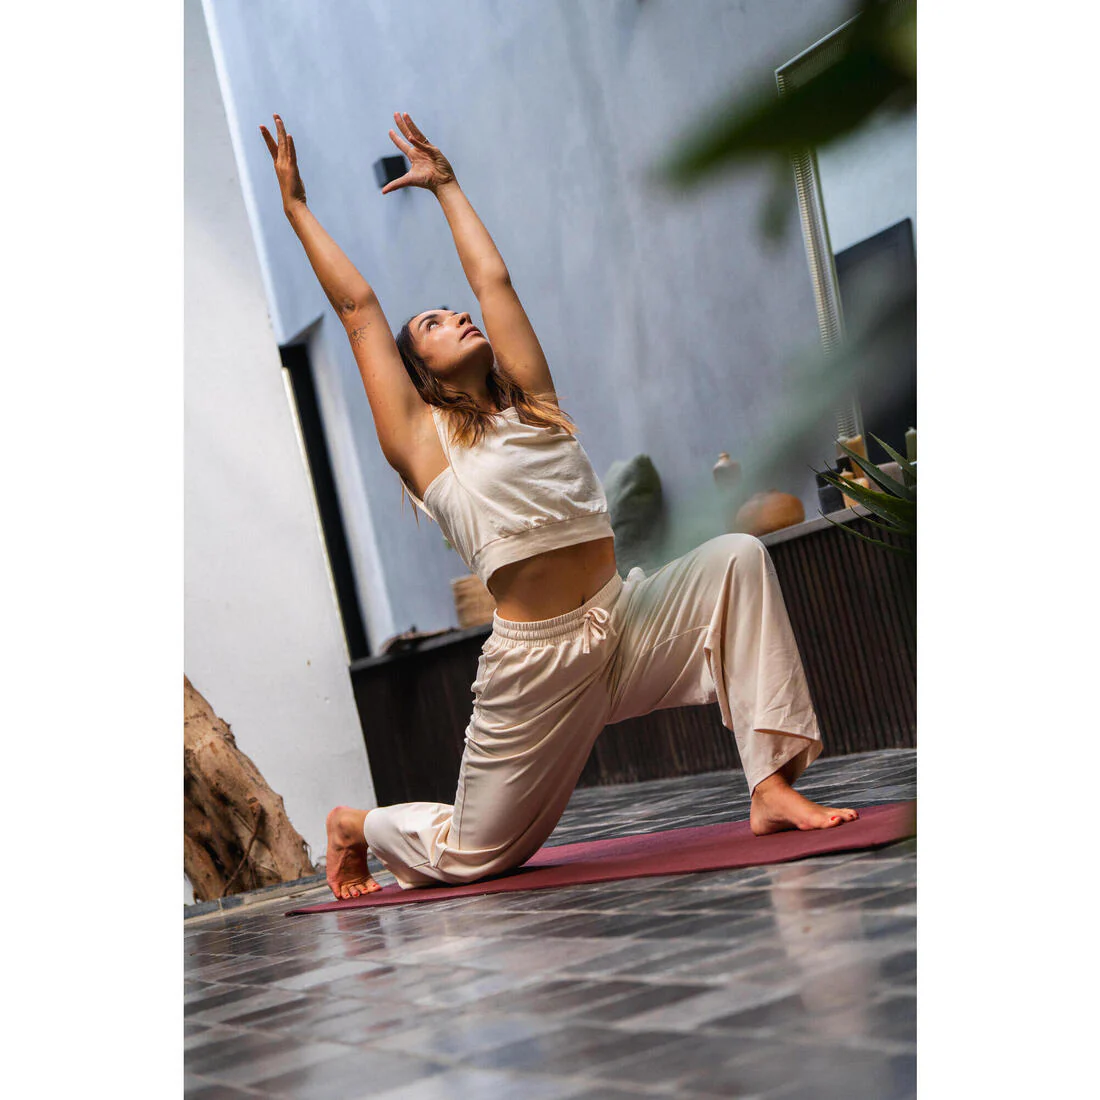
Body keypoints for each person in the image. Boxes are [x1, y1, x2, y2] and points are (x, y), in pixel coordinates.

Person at [260, 111, 858, 900]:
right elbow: (359, 312)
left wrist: (447, 186)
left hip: (625, 623)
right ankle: (356, 826)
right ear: (422, 373)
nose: (459, 316)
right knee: (476, 855)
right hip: (535, 669)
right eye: (434, 323)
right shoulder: (424, 444)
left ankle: (770, 785)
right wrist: (296, 210)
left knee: (736, 561)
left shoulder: (534, 405)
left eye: (455, 311)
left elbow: (494, 284)